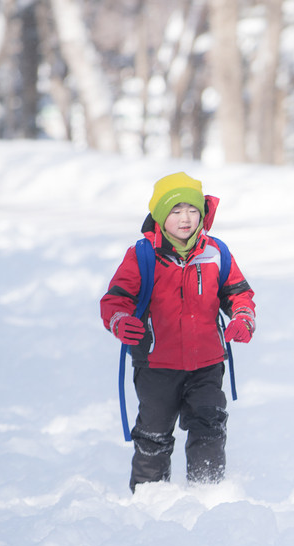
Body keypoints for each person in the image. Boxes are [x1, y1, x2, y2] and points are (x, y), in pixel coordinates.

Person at [100, 172, 256, 492]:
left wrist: (243, 318)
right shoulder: (143, 255)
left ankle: (206, 492)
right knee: (154, 435)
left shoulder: (216, 252)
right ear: (160, 215)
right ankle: (149, 499)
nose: (185, 218)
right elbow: (115, 300)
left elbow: (239, 295)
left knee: (209, 429)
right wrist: (119, 320)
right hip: (157, 365)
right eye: (175, 210)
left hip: (208, 363)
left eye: (192, 210)